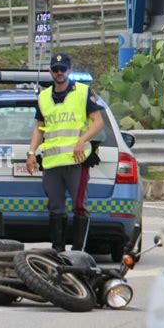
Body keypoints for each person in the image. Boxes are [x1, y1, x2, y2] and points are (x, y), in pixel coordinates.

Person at [26, 53, 104, 252]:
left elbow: (98, 122)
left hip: (76, 160)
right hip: (52, 163)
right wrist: (31, 153)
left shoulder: (82, 92)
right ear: (50, 71)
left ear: (69, 70)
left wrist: (82, 141)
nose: (59, 73)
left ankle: (78, 252)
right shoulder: (43, 97)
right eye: (56, 69)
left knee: (79, 207)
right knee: (55, 208)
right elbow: (39, 128)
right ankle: (58, 250)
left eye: (63, 69)